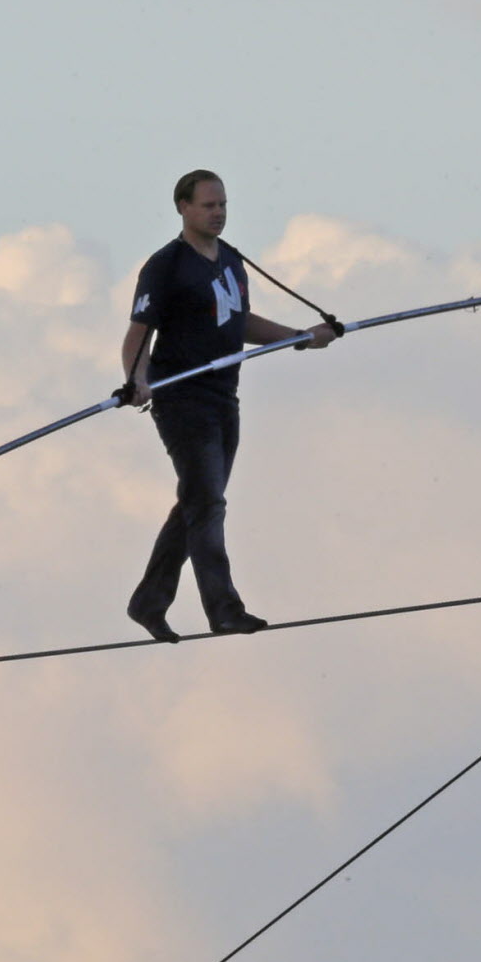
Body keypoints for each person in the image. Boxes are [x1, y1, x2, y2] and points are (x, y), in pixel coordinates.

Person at [119, 170, 337, 641]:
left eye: (222, 205)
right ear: (182, 207)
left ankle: (148, 601)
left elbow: (239, 322)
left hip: (224, 395)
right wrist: (136, 381)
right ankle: (224, 609)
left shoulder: (232, 261)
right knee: (208, 504)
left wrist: (301, 338)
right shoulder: (167, 265)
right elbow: (139, 334)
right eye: (207, 206)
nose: (217, 213)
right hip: (181, 397)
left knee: (197, 504)